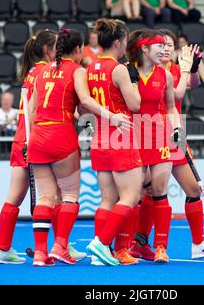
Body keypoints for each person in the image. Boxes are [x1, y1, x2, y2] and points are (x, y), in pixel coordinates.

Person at [27, 27, 131, 266]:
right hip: (61, 135)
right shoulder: (77, 71)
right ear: (77, 49)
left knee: (45, 196)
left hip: (38, 136)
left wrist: (31, 140)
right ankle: (60, 246)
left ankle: (41, 254)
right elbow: (84, 101)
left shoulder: (41, 72)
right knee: (70, 195)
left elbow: (32, 111)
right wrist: (112, 117)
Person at [129, 28, 204, 261]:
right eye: (162, 45)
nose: (166, 49)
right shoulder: (142, 70)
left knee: (193, 189)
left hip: (174, 133)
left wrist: (191, 68)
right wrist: (184, 70)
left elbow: (191, 84)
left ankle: (198, 243)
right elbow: (180, 92)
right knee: (148, 192)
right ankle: (137, 241)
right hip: (148, 134)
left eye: (170, 45)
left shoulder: (171, 70)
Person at [0, 29, 86, 265]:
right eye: (57, 46)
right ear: (48, 49)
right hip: (41, 136)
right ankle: (57, 246)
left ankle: (6, 249)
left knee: (20, 197)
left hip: (26, 139)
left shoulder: (33, 73)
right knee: (58, 195)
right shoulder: (50, 71)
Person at [85, 18, 143, 266]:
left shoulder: (90, 67)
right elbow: (135, 104)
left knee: (107, 199)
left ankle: (102, 253)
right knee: (130, 196)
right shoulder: (118, 69)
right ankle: (101, 242)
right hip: (121, 135)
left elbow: (84, 106)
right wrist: (133, 79)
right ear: (118, 42)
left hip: (100, 137)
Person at [125, 28, 183, 263]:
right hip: (133, 138)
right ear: (145, 49)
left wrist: (177, 128)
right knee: (133, 194)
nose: (165, 50)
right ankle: (126, 244)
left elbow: (171, 107)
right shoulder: (127, 72)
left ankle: (160, 246)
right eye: (159, 46)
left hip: (159, 137)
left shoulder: (166, 75)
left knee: (159, 192)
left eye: (165, 46)